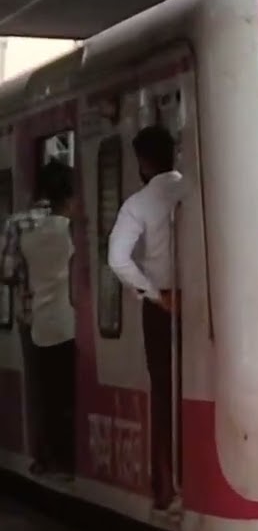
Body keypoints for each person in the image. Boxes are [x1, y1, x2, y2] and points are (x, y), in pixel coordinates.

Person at [108, 125, 184, 509]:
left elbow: (118, 258)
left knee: (163, 391)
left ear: (143, 161)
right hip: (207, 304)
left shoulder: (138, 203)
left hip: (163, 307)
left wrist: (154, 294)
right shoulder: (193, 189)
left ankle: (165, 485)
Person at [0, 161, 77, 476]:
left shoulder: (18, 224)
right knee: (66, 387)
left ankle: (44, 455)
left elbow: (7, 273)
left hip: (32, 316)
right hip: (70, 316)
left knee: (40, 388)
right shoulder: (71, 225)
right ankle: (69, 453)